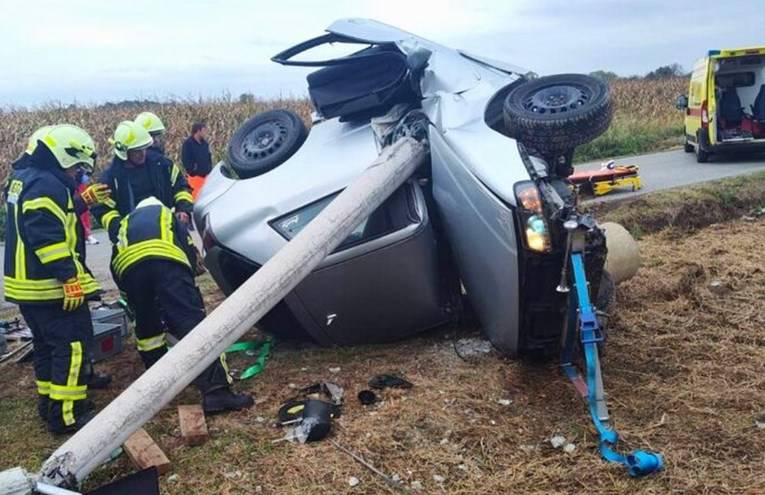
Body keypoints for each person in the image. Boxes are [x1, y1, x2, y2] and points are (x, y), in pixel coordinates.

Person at [111, 196, 253, 413]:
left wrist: (133, 297)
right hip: (167, 263)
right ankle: (216, 393)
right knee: (192, 324)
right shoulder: (165, 214)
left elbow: (114, 263)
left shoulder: (125, 223)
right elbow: (187, 249)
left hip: (131, 271)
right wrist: (186, 292)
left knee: (148, 330)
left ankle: (157, 387)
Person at [4, 125, 103, 433]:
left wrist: (81, 201)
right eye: (77, 167)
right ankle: (67, 415)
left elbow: (52, 214)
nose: (79, 174)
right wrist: (69, 276)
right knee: (71, 347)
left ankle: (49, 405)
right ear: (63, 156)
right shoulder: (47, 184)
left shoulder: (27, 178)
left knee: (47, 348)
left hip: (28, 288)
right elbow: (45, 234)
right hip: (49, 287)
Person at [91, 121, 194, 245]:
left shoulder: (161, 165)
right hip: (131, 238)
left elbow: (181, 187)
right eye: (136, 151)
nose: (142, 154)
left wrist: (183, 209)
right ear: (124, 152)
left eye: (144, 148)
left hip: (169, 229)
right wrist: (118, 226)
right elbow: (102, 209)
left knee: (190, 256)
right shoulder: (111, 179)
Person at [181, 122, 212, 200]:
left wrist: (209, 168)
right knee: (196, 199)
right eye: (204, 130)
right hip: (194, 178)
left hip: (206, 178)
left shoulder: (205, 144)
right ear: (198, 131)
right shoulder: (188, 144)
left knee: (205, 198)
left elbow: (208, 158)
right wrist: (193, 171)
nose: (206, 133)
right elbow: (185, 160)